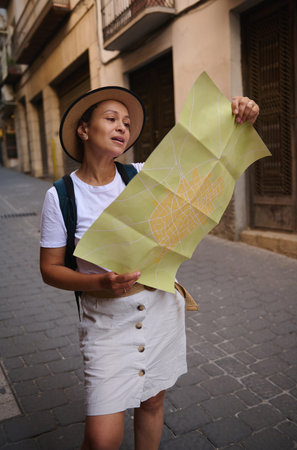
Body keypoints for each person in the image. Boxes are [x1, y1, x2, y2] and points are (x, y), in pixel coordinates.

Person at [40, 86, 259, 450]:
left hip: (160, 308)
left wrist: (235, 116)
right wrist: (100, 283)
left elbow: (203, 161)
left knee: (153, 401)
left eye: (126, 122)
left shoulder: (142, 176)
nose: (122, 127)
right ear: (83, 129)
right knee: (101, 439)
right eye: (110, 119)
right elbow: (50, 270)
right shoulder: (61, 196)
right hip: (105, 322)